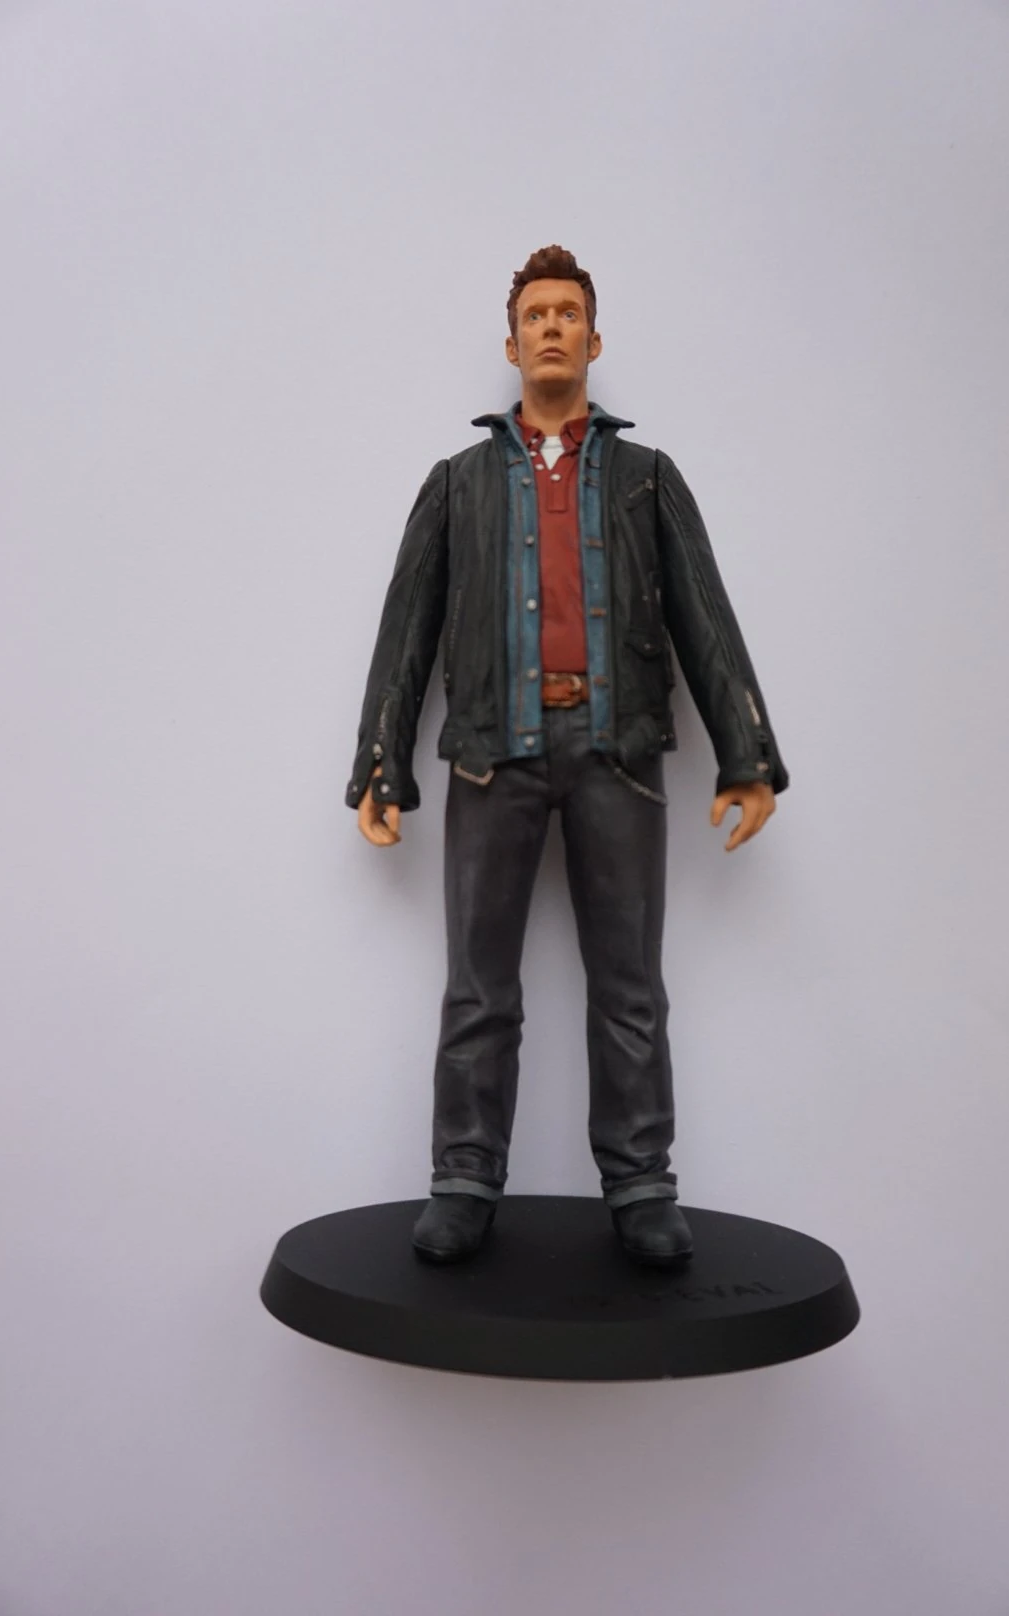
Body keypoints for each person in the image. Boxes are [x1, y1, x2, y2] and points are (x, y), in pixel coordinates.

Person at [346, 245, 788, 1268]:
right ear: (512, 345)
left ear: (594, 339)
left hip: (615, 748)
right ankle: (464, 1178)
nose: (551, 326)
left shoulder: (645, 479)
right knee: (477, 986)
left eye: (568, 313)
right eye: (535, 315)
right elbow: (406, 629)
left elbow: (703, 615)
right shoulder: (457, 484)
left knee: (630, 984)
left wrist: (746, 753)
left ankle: (640, 1184)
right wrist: (381, 761)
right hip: (491, 752)